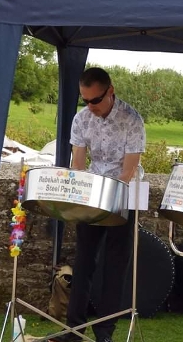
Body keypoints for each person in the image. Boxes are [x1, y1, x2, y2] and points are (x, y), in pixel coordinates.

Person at [49, 67, 146, 342]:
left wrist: (108, 202)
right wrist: (77, 198)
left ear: (110, 91)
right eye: (85, 100)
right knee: (84, 262)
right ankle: (74, 330)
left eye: (95, 100)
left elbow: (128, 171)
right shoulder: (81, 120)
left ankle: (104, 333)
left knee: (115, 266)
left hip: (123, 195)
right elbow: (78, 165)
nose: (90, 106)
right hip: (92, 195)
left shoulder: (132, 120)